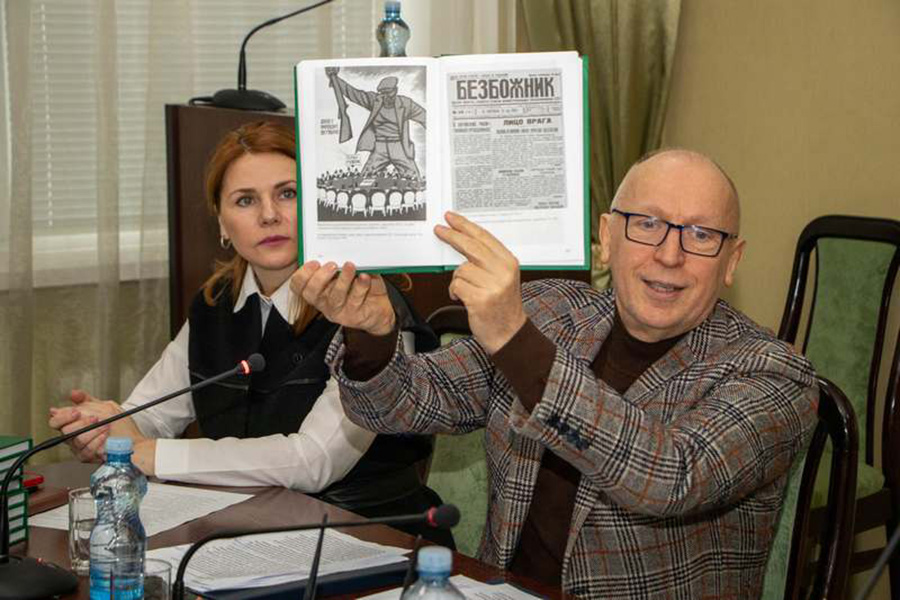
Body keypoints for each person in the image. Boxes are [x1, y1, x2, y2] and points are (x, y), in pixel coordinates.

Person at [291, 149, 819, 598]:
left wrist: (515, 339)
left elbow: (669, 478)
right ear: (607, 236)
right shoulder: (550, 312)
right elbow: (401, 404)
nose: (669, 254)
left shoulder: (776, 374)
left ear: (732, 260)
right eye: (647, 224)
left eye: (701, 234)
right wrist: (371, 331)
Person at [49, 121, 451, 545]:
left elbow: (314, 461)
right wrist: (104, 427)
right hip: (247, 532)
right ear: (222, 223)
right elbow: (153, 415)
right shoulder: (215, 303)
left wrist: (150, 454)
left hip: (370, 535)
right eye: (245, 200)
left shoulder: (367, 306)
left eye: (287, 194)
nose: (269, 215)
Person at [326, 67, 425, 179]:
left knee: (414, 178)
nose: (386, 97)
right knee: (364, 178)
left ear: (395, 90)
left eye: (389, 93)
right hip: (379, 147)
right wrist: (335, 78)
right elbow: (353, 94)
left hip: (399, 147)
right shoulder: (375, 101)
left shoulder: (406, 104)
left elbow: (425, 117)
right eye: (383, 93)